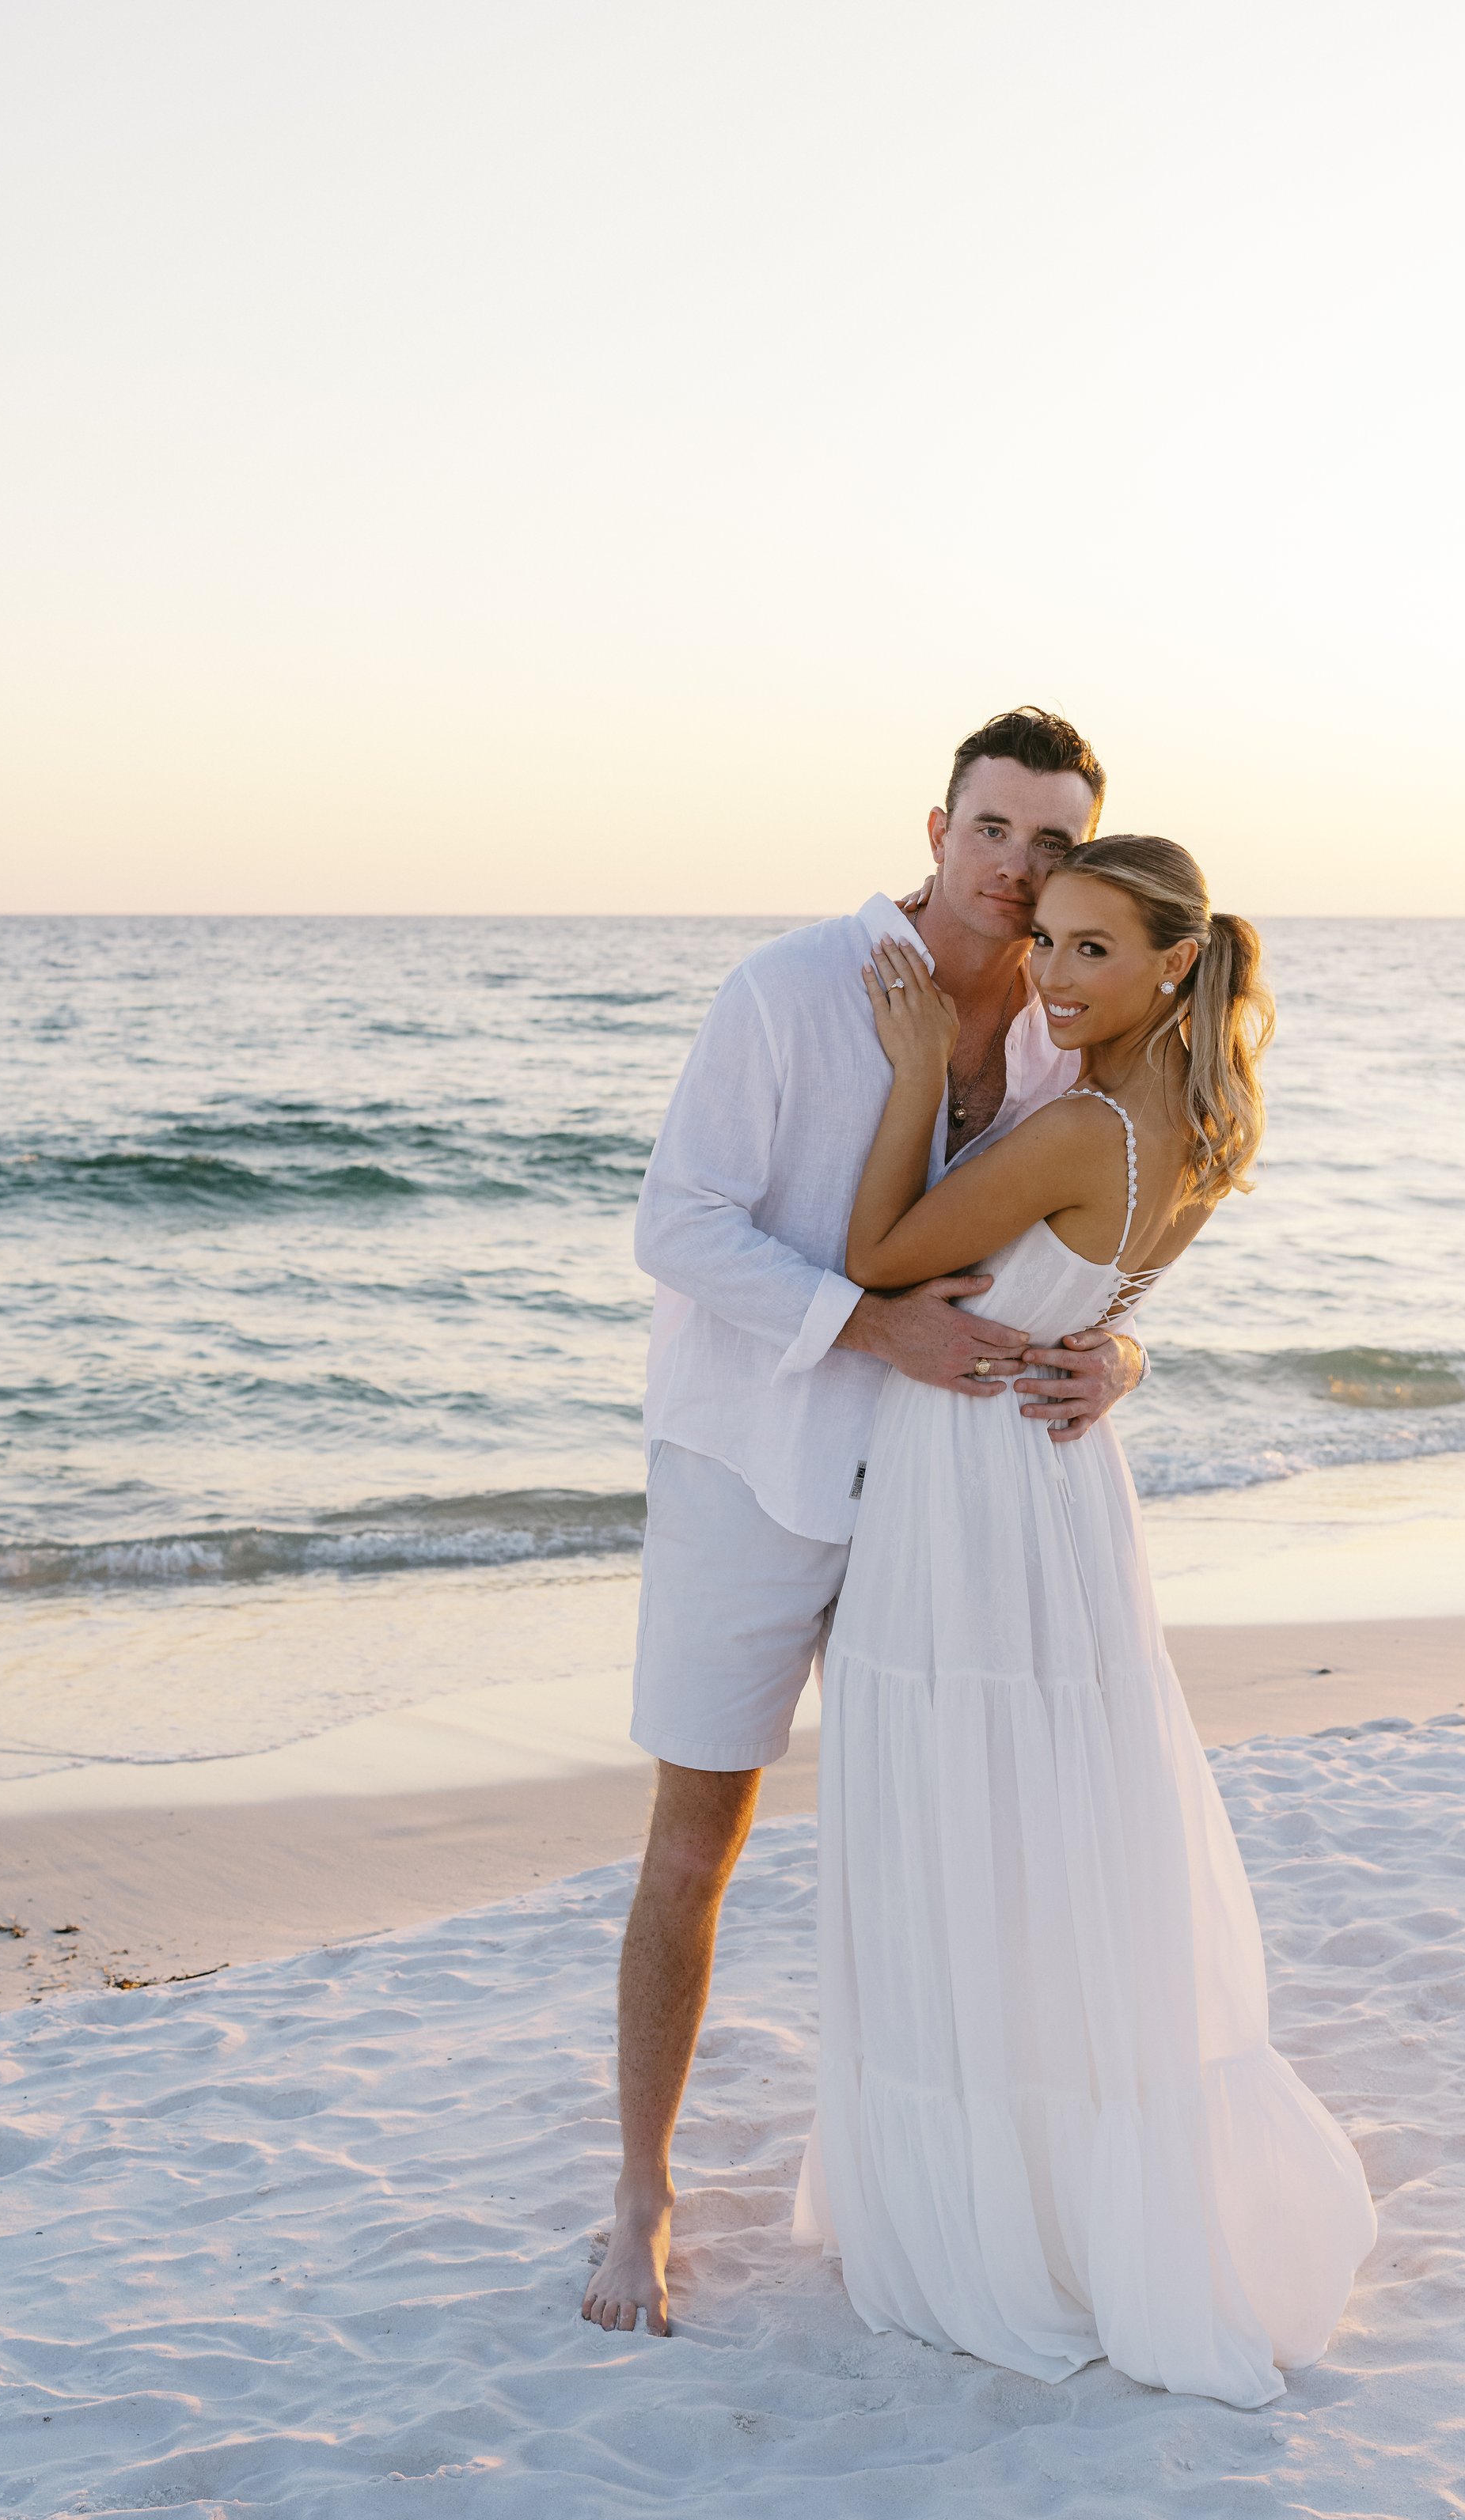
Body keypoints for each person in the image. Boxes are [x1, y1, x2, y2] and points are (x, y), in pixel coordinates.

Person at [583, 710, 1149, 2337]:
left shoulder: (1064, 1029)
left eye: (1051, 844)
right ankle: (642, 2193)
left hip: (941, 1488)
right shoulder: (788, 989)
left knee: (943, 1841)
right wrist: (864, 1321)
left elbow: (1113, 1227)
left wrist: (1121, 1351)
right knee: (696, 1839)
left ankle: (932, 2183)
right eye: (992, 830)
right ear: (936, 827)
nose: (1015, 869)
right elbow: (675, 1225)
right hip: (749, 1467)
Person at [793, 836, 1376, 2408]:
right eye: (1044, 940)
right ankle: (1054, 2182)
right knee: (1048, 1826)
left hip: (973, 1483)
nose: (1050, 974)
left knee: (960, 1817)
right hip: (1058, 1483)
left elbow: (874, 1257)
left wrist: (919, 1068)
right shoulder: (1201, 1118)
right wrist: (1122, 1354)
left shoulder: (1078, 1128)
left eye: (1090, 949)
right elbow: (1098, 1304)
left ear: (1173, 963)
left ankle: (998, 2212)